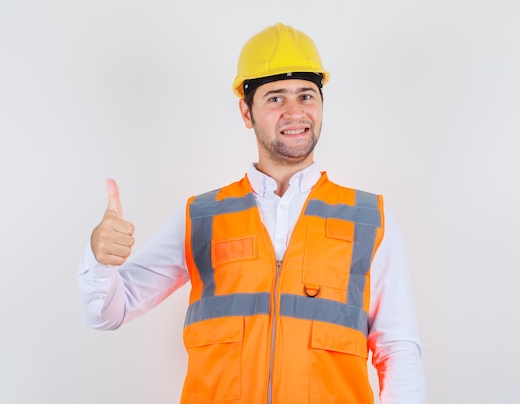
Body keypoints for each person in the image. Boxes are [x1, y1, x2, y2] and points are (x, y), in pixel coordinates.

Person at [78, 22, 425, 403]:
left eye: (306, 96)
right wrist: (99, 260)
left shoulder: (370, 219)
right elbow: (109, 311)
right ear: (247, 112)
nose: (295, 112)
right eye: (275, 98)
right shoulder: (201, 216)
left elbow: (398, 350)